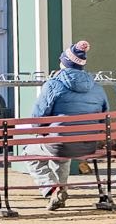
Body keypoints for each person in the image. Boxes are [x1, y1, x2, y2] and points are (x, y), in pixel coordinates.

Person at [26, 40, 108, 210]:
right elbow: (104, 118)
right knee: (61, 151)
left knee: (29, 154)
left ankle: (53, 188)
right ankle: (59, 194)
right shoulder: (97, 87)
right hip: (88, 145)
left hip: (61, 144)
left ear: (64, 63)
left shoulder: (53, 85)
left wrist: (41, 133)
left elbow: (37, 119)